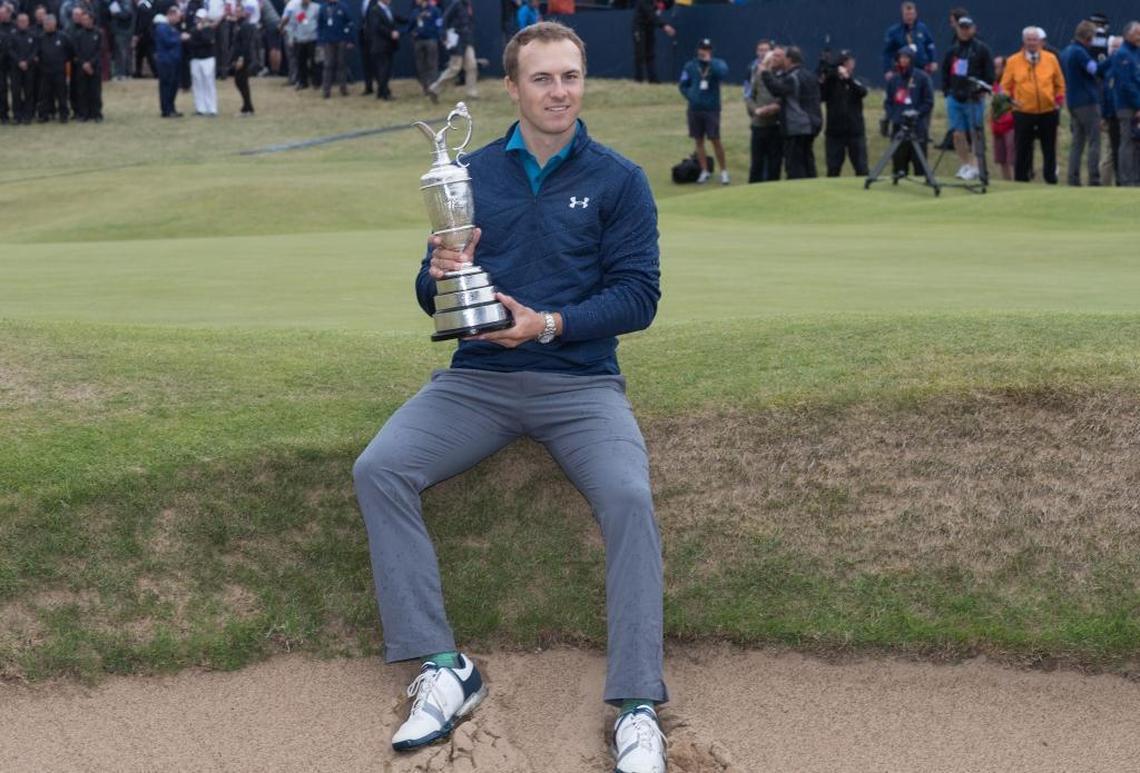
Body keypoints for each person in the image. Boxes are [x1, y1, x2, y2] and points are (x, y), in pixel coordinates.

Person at [352, 20, 667, 773]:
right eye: (543, 79)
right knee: (379, 467)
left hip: (580, 382)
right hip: (477, 381)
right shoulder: (474, 172)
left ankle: (636, 706)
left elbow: (639, 296)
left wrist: (549, 324)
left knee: (627, 495)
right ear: (513, 88)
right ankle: (443, 665)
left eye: (570, 76)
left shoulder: (619, 178)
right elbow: (434, 295)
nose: (559, 92)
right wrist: (440, 266)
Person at [1001, 26, 1064, 184]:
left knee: (1049, 148)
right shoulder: (1013, 61)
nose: (1032, 43)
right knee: (1022, 148)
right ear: (1024, 41)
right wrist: (1010, 101)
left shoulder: (1051, 59)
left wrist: (1058, 101)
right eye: (1029, 40)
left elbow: (1060, 83)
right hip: (1023, 111)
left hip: (1048, 111)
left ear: (1040, 41)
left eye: (1035, 40)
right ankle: (1021, 179)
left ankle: (1050, 178)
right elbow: (1004, 86)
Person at [940, 15, 992, 181]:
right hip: (955, 98)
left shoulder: (981, 49)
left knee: (975, 133)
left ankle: (976, 166)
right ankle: (966, 164)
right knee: (957, 134)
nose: (964, 31)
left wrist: (982, 89)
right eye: (961, 28)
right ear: (957, 29)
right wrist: (947, 91)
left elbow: (989, 74)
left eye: (967, 28)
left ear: (973, 29)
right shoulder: (953, 50)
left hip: (974, 99)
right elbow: (945, 71)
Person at [762, 45, 821, 179]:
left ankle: (799, 193)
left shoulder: (792, 77)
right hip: (812, 124)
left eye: (783, 57)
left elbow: (777, 89)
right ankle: (814, 192)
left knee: (794, 165)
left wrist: (765, 72)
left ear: (789, 59)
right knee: (808, 161)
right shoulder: (810, 75)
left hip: (797, 126)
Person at [1061, 21, 1107, 186]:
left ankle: (1073, 178)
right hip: (1087, 101)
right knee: (1094, 141)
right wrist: (1109, 62)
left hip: (1072, 101)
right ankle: (1094, 178)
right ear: (1088, 37)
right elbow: (1095, 70)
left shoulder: (1066, 51)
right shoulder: (1080, 53)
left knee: (1077, 142)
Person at [679, 37, 729, 184]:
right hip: (695, 108)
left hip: (711, 108)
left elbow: (723, 73)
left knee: (715, 139)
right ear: (698, 50)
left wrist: (710, 62)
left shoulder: (717, 64)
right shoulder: (690, 66)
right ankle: (704, 170)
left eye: (706, 49)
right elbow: (683, 84)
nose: (704, 52)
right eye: (702, 49)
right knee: (698, 140)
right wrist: (692, 96)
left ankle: (724, 171)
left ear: (710, 51)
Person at [884, 46, 934, 177]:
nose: (903, 60)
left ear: (912, 59)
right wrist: (892, 116)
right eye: (901, 57)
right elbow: (888, 101)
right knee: (898, 164)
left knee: (919, 164)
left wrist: (916, 114)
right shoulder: (894, 80)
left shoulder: (922, 77)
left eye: (906, 57)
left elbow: (929, 102)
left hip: (917, 127)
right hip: (898, 127)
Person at [820, 49, 869, 177]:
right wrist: (827, 76)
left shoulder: (858, 80)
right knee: (833, 167)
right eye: (843, 62)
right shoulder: (832, 83)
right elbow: (821, 96)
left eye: (849, 62)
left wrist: (848, 79)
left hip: (855, 131)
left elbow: (862, 92)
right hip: (835, 132)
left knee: (861, 167)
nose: (847, 65)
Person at [744, 41, 781, 183]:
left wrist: (773, 109)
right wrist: (756, 111)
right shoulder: (758, 75)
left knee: (774, 163)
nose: (770, 61)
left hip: (775, 125)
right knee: (757, 163)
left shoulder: (781, 76)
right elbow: (750, 97)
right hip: (758, 124)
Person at [427, 0, 477, 103]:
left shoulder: (468, 5)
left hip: (467, 40)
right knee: (455, 67)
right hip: (456, 40)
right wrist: (444, 36)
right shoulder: (456, 4)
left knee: (472, 65)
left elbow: (470, 22)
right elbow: (444, 19)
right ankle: (434, 89)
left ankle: (471, 92)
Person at [1109, 21, 1140, 186]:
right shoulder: (1122, 54)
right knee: (1127, 142)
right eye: (1137, 34)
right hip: (1127, 106)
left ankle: (1136, 179)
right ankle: (1126, 180)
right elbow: (1126, 84)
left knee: (1137, 144)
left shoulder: (1137, 52)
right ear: (1128, 35)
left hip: (1137, 105)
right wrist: (1138, 105)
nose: (1139, 37)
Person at [882, 1, 936, 82]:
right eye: (907, 14)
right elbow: (887, 53)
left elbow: (930, 45)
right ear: (902, 15)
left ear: (915, 14)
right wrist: (887, 70)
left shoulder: (922, 28)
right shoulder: (894, 31)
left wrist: (933, 61)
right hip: (901, 70)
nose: (909, 17)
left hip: (921, 68)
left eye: (911, 14)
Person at [154, 3, 186, 116]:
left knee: (173, 86)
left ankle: (172, 107)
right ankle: (166, 109)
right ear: (171, 15)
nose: (178, 20)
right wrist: (179, 38)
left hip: (174, 60)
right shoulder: (161, 27)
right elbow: (167, 41)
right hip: (166, 61)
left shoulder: (171, 27)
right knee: (166, 86)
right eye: (177, 17)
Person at [35, 11, 68, 121]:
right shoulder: (40, 38)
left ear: (54, 24)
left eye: (49, 24)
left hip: (59, 71)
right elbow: (37, 53)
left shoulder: (63, 37)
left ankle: (63, 115)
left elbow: (70, 52)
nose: (47, 26)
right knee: (44, 95)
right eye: (45, 24)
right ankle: (44, 115)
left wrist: (62, 62)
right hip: (45, 71)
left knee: (61, 95)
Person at [317, 0, 353, 98]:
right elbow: (320, 25)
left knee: (342, 64)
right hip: (328, 41)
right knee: (328, 65)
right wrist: (320, 40)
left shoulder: (343, 7)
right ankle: (326, 91)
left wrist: (349, 39)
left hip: (341, 40)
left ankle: (343, 89)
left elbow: (349, 22)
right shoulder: (323, 8)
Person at [630, 0, 673, 84]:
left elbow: (668, 4)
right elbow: (651, 15)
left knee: (650, 54)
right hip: (639, 27)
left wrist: (666, 3)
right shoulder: (644, 2)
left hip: (650, 27)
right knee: (640, 53)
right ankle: (638, 79)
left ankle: (653, 79)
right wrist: (664, 26)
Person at [365, 0, 400, 100]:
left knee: (387, 70)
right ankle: (384, 94)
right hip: (380, 45)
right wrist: (390, 33)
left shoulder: (389, 9)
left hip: (389, 45)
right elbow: (377, 26)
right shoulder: (375, 10)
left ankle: (381, 92)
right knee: (383, 70)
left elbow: (394, 19)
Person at [1100, 35, 1123, 186]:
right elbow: (1104, 94)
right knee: (1110, 152)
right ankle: (1105, 184)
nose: (1115, 50)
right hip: (1112, 116)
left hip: (1127, 115)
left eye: (1118, 47)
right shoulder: (1105, 69)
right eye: (1113, 47)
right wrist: (1103, 116)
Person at [187, 7, 216, 114]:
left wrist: (201, 31)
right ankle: (200, 108)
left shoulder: (209, 29)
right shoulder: (193, 29)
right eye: (198, 18)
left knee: (209, 84)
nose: (199, 20)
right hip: (195, 59)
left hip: (207, 59)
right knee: (197, 84)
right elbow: (191, 42)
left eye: (201, 18)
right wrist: (197, 34)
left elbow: (208, 41)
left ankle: (212, 108)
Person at [407, 0, 439, 97]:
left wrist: (437, 35)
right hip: (418, 41)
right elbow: (410, 26)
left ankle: (433, 88)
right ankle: (425, 88)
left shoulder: (435, 10)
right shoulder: (415, 11)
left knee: (432, 64)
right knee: (420, 66)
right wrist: (411, 32)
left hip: (431, 40)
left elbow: (439, 24)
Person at [990, 55, 1014, 180]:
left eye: (998, 67)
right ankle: (1007, 182)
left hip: (1010, 125)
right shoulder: (994, 85)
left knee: (1012, 158)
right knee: (1002, 159)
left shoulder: (1012, 83)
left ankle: (1017, 182)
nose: (995, 70)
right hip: (997, 125)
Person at [9, 12, 35, 124]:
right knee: (16, 92)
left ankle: (28, 115)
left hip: (29, 68)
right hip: (16, 69)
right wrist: (19, 61)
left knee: (29, 92)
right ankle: (17, 115)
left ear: (28, 22)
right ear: (17, 22)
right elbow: (10, 50)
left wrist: (27, 62)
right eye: (20, 21)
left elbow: (35, 50)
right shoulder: (12, 35)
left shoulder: (33, 35)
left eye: (25, 21)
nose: (23, 23)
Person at [283, 0, 316, 89]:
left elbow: (319, 23)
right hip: (300, 39)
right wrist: (291, 38)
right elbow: (292, 24)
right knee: (301, 62)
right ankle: (303, 82)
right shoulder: (296, 8)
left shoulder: (316, 8)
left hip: (313, 39)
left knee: (314, 62)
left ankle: (316, 82)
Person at [228, 0, 253, 113]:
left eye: (239, 11)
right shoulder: (237, 24)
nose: (237, 13)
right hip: (238, 57)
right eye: (236, 11)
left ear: (243, 12)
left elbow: (245, 43)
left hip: (243, 58)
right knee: (239, 82)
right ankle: (246, 106)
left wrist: (241, 59)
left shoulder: (245, 25)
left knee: (242, 82)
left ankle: (248, 107)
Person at [132, 0, 156, 77]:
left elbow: (141, 22)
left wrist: (137, 34)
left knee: (147, 54)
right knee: (141, 54)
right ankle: (139, 71)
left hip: (144, 35)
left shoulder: (142, 7)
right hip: (148, 34)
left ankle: (155, 72)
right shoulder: (148, 5)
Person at [0, 3, 15, 124]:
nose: (1, 15)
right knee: (2, 90)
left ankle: (18, 113)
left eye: (3, 13)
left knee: (16, 89)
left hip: (15, 64)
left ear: (9, 13)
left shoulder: (16, 26)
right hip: (1, 64)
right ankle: (3, 114)